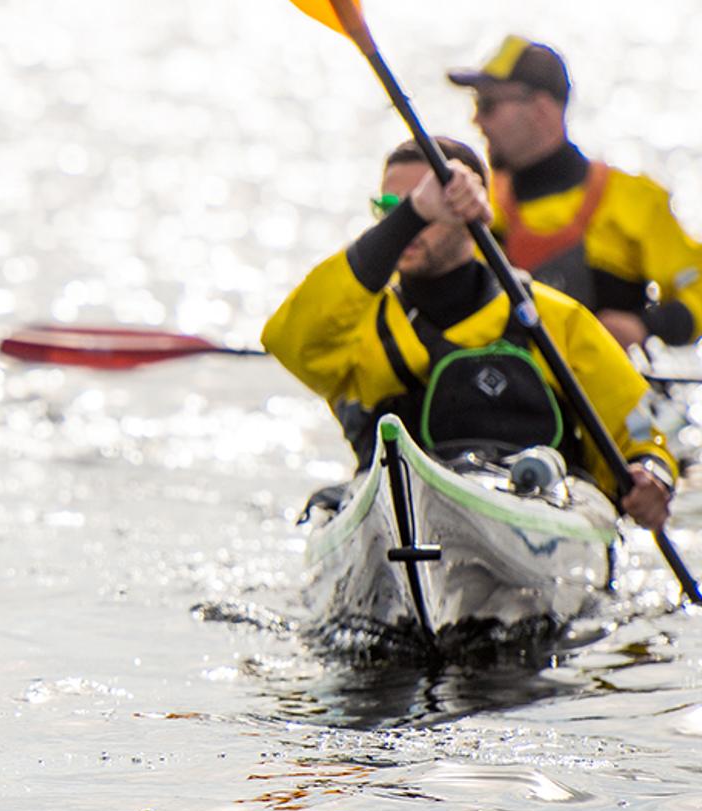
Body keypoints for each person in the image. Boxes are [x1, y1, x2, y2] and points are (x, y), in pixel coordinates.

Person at [263, 136, 676, 530]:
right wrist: (413, 215)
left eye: (426, 207)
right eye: (391, 209)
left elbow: (638, 429)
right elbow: (287, 340)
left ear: (467, 210)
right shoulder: (357, 323)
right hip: (400, 522)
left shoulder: (556, 320)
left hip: (533, 518)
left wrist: (652, 473)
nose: (406, 223)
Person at [453, 35, 702, 352]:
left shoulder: (634, 200)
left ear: (541, 110)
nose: (476, 121)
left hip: (601, 390)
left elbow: (698, 288)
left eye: (487, 105)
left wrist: (646, 325)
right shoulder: (476, 204)